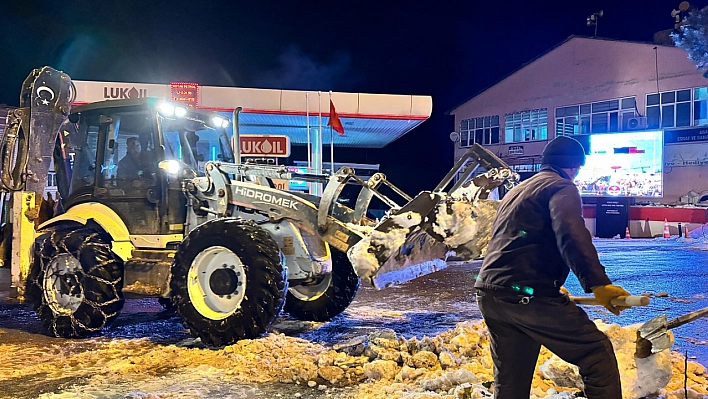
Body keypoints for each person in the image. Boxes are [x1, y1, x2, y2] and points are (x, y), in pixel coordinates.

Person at [474, 135, 632, 399]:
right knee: (596, 352)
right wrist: (598, 284)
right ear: (574, 166)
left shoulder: (520, 190)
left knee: (512, 380)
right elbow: (569, 233)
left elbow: (517, 242)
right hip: (526, 294)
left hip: (491, 293)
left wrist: (550, 287)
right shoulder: (561, 187)